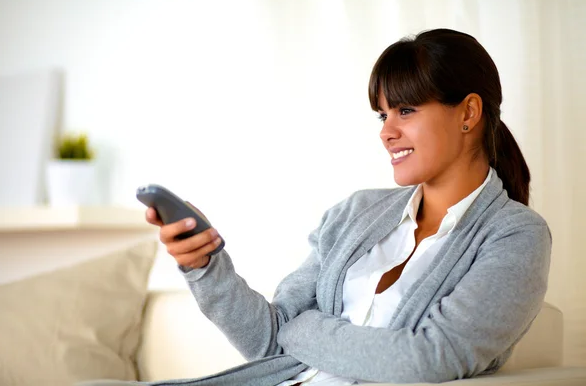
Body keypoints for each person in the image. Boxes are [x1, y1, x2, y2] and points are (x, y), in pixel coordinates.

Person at [80, 28, 551, 386]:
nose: (386, 132)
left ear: (468, 112)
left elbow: (426, 360)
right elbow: (268, 340)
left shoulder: (516, 236)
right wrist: (205, 266)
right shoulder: (354, 214)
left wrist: (304, 328)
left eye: (405, 111)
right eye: (382, 115)